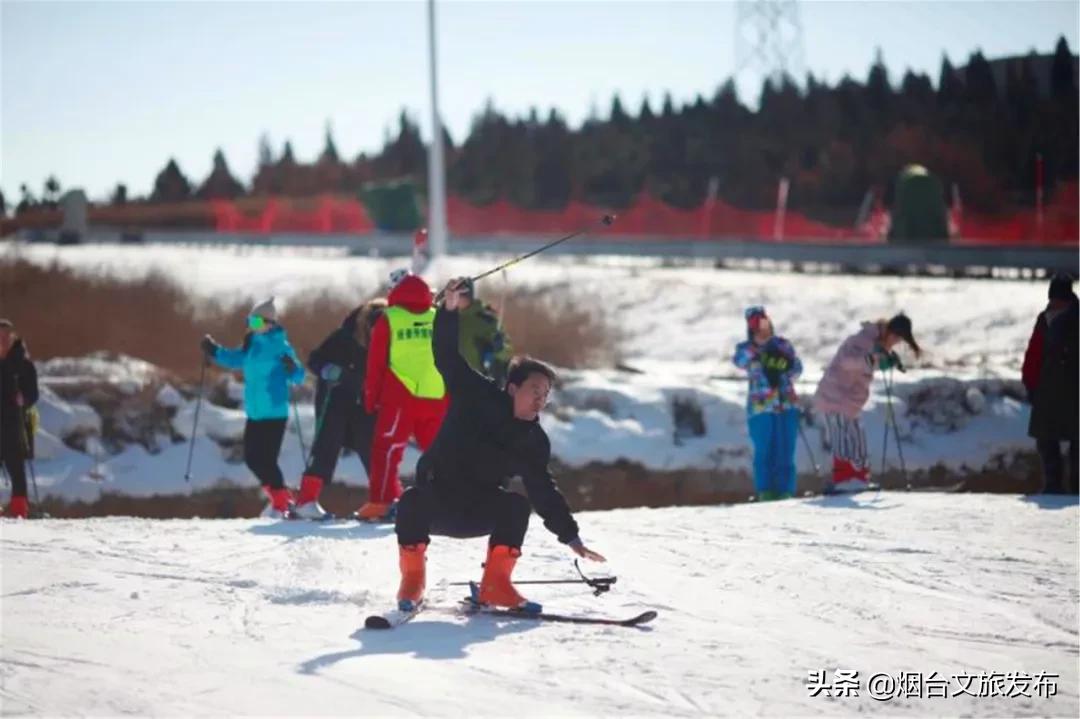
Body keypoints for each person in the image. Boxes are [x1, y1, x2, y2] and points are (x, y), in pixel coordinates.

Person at [393, 278, 605, 613]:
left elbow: (543, 490)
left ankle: (496, 585)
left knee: (516, 506)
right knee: (409, 501)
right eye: (535, 390)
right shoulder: (475, 394)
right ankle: (413, 579)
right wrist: (448, 311)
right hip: (438, 501)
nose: (540, 399)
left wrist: (571, 537)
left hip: (478, 509)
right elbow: (446, 356)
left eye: (546, 395)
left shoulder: (533, 439)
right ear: (512, 388)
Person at [201, 298, 305, 518]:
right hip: (255, 412)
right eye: (250, 321)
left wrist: (292, 368)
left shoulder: (280, 346)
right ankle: (281, 499)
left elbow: (299, 376)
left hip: (274, 412)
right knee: (252, 459)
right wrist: (213, 350)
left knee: (267, 461)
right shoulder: (251, 345)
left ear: (270, 323)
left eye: (256, 321)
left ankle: (282, 504)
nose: (251, 325)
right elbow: (233, 359)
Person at [357, 270, 448, 521]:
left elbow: (376, 363)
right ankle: (450, 499)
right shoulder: (438, 317)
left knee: (386, 450)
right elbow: (452, 357)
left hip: (400, 397)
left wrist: (371, 398)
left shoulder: (389, 318)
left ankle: (382, 502)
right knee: (440, 452)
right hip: (437, 396)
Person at [292, 298, 387, 518]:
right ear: (367, 324)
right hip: (334, 399)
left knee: (374, 448)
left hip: (365, 402)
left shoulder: (386, 343)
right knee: (326, 446)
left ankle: (384, 500)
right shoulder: (343, 338)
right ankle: (306, 501)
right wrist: (329, 370)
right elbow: (315, 360)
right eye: (377, 329)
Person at [814, 313, 921, 492]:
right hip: (834, 397)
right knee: (842, 439)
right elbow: (847, 362)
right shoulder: (862, 339)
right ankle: (843, 479)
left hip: (850, 402)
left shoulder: (878, 345)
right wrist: (873, 359)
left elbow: (868, 364)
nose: (895, 342)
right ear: (888, 330)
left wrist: (885, 361)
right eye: (895, 337)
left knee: (857, 439)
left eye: (899, 340)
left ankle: (859, 478)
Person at [733, 306, 803, 500]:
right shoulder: (745, 349)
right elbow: (739, 361)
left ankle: (785, 491)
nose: (762, 329)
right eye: (756, 325)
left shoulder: (782, 344)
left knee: (785, 450)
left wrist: (783, 359)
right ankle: (766, 491)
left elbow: (797, 370)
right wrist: (759, 347)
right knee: (764, 450)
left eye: (764, 323)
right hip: (761, 407)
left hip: (786, 405)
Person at [1022, 273, 1079, 494]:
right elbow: (1034, 352)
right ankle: (1053, 487)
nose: (1054, 302)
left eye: (1057, 298)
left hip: (1074, 389)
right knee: (1046, 440)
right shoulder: (1045, 319)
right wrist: (1029, 381)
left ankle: (1076, 490)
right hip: (1047, 389)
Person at [0, 319, 40, 519]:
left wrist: (24, 399)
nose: (3, 340)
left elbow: (33, 393)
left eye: (6, 335)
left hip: (14, 424)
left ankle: (19, 512)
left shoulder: (23, 364)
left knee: (17, 470)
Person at [455, 277, 514, 385]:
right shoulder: (445, 318)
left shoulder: (486, 320)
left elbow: (506, 353)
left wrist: (500, 348)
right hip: (448, 380)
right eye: (456, 294)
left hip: (478, 381)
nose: (459, 298)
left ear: (470, 296)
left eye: (463, 294)